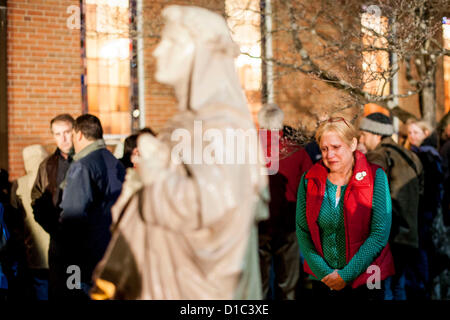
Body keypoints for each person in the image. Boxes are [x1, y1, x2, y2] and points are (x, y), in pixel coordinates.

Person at [90, 5, 269, 300]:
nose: (158, 51)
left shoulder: (222, 127)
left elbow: (216, 212)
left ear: (201, 54)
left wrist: (155, 173)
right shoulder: (186, 124)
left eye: (171, 42)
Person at [296, 116, 394, 300]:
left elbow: (379, 234)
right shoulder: (309, 180)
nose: (329, 154)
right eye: (324, 149)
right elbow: (303, 231)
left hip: (367, 280)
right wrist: (325, 273)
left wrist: (345, 275)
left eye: (336, 147)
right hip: (323, 280)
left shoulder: (375, 177)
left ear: (353, 144)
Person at [59, 114, 125, 299]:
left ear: (78, 134)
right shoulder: (116, 163)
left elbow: (73, 216)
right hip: (115, 252)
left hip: (88, 258)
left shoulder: (82, 166)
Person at [359, 112, 423, 300]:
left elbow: (368, 195)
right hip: (409, 233)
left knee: (381, 289)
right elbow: (421, 192)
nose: (361, 139)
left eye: (364, 134)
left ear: (377, 135)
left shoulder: (378, 155)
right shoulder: (411, 156)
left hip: (388, 235)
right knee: (398, 286)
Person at [257, 103, 312, 299]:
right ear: (281, 124)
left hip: (258, 222)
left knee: (258, 285)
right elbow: (310, 187)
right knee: (287, 283)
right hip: (288, 221)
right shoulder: (296, 150)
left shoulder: (247, 149)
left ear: (260, 123)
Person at [30, 113, 74, 299]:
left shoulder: (86, 161)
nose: (63, 138)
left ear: (75, 132)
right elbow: (36, 199)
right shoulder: (47, 165)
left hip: (83, 242)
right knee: (58, 292)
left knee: (77, 289)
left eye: (66, 132)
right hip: (57, 241)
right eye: (57, 134)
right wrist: (53, 228)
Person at [406, 119, 446, 299]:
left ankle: (423, 288)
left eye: (416, 132)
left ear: (425, 134)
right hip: (423, 211)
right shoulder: (417, 154)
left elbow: (431, 188)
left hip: (424, 212)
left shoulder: (427, 156)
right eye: (410, 133)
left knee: (423, 251)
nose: (412, 136)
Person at [10, 144, 50, 300]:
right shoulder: (56, 180)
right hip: (60, 252)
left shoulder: (18, 185)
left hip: (34, 251)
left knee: (41, 288)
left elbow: (14, 219)